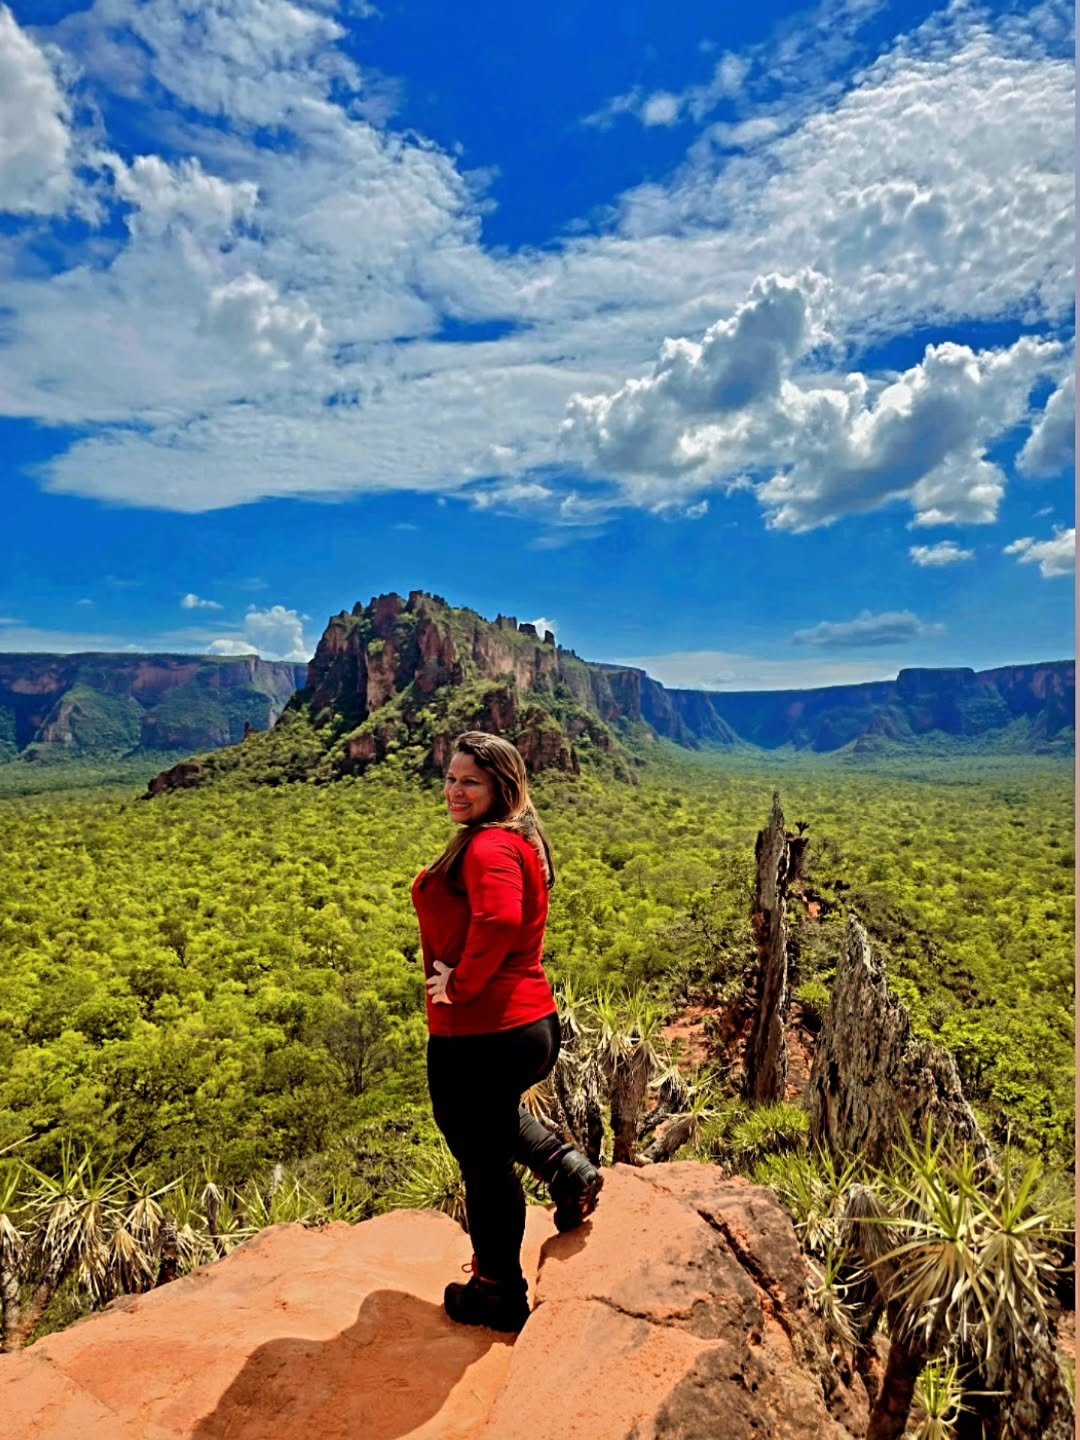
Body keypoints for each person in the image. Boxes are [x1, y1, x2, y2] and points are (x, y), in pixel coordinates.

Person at [411, 730, 603, 1332]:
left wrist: (461, 984)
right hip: (522, 1025)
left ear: (501, 785)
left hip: (484, 1028)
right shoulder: (515, 839)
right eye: (451, 778)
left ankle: (498, 1290)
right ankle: (567, 1169)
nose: (455, 790)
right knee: (489, 1122)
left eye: (470, 780)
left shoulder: (491, 846)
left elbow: (498, 920)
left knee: (481, 1158)